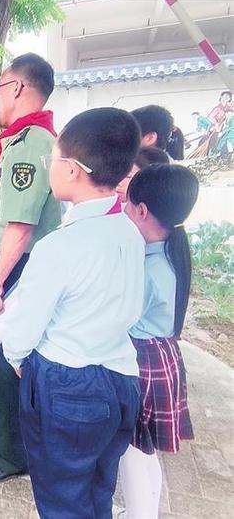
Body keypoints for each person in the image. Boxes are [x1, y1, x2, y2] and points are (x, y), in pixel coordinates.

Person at [1, 107, 144, 518]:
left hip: (67, 385)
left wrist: (15, 357)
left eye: (54, 159)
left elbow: (24, 328)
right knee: (98, 488)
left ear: (73, 169)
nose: (51, 167)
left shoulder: (59, 246)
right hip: (120, 379)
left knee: (63, 498)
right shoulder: (128, 231)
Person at [0, 53, 61, 483]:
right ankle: (18, 445)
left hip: (10, 264)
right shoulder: (17, 140)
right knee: (5, 354)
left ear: (18, 88)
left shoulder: (32, 143)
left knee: (0, 355)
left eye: (0, 88)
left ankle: (11, 454)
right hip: (5, 258)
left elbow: (19, 227)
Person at [119, 164, 199, 519]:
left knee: (131, 451)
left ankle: (140, 514)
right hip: (163, 357)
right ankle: (146, 511)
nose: (123, 209)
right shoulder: (171, 252)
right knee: (146, 451)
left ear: (141, 210)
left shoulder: (146, 268)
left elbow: (122, 319)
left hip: (142, 362)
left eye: (127, 203)